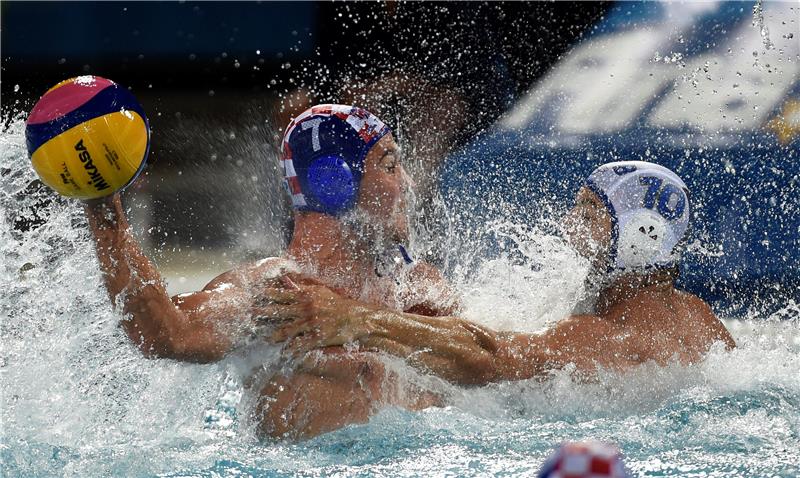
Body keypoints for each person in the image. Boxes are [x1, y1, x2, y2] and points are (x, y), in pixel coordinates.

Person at [260, 161, 736, 435]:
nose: (569, 227)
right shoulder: (701, 319)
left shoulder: (603, 338)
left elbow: (490, 360)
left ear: (638, 237)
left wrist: (357, 320)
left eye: (590, 214)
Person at [81, 104, 455, 435]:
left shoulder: (417, 290)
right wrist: (102, 207)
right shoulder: (273, 295)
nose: (407, 182)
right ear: (335, 183)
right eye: (389, 166)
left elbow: (500, 369)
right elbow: (166, 334)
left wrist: (368, 322)